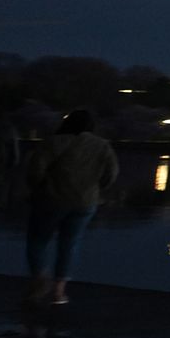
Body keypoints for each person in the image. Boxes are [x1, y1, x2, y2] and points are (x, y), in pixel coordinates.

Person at [23, 109, 119, 311]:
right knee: (69, 244)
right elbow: (111, 175)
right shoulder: (102, 146)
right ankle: (59, 292)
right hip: (85, 203)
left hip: (51, 199)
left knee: (37, 240)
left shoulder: (53, 142)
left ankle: (40, 279)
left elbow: (35, 170)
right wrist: (96, 188)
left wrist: (38, 188)